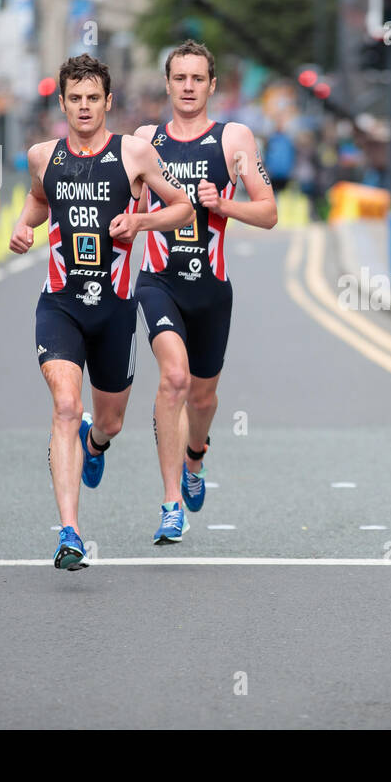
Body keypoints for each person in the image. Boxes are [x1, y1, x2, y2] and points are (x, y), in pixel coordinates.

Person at [10, 55, 195, 570]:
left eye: (93, 98)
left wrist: (141, 224)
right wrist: (23, 226)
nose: (85, 107)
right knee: (65, 405)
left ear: (108, 101)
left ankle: (95, 443)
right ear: (62, 103)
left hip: (114, 311)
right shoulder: (43, 156)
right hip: (60, 305)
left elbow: (182, 207)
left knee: (110, 421)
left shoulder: (134, 153)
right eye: (75, 99)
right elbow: (38, 199)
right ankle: (69, 533)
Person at [132, 41, 277, 545]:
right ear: (167, 84)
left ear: (212, 85)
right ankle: (171, 504)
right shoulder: (145, 140)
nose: (188, 87)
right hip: (158, 281)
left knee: (202, 396)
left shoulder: (234, 138)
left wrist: (224, 206)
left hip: (211, 290)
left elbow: (269, 212)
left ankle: (196, 456)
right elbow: (125, 204)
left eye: (198, 79)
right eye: (180, 78)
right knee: (173, 379)